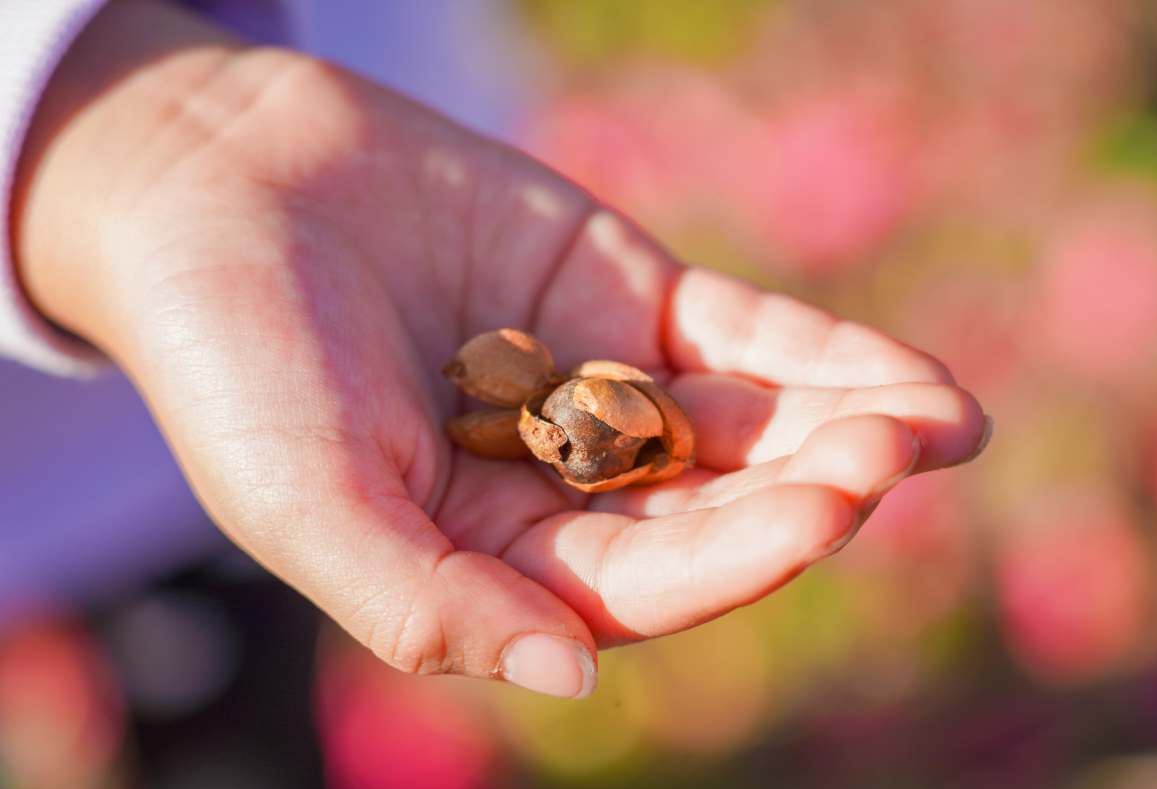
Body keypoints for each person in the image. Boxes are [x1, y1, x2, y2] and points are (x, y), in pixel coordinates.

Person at [1, 0, 991, 699]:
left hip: (366, 205)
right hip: (52, 440)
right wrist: (120, 126)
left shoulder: (531, 397)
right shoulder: (512, 402)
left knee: (232, 682)